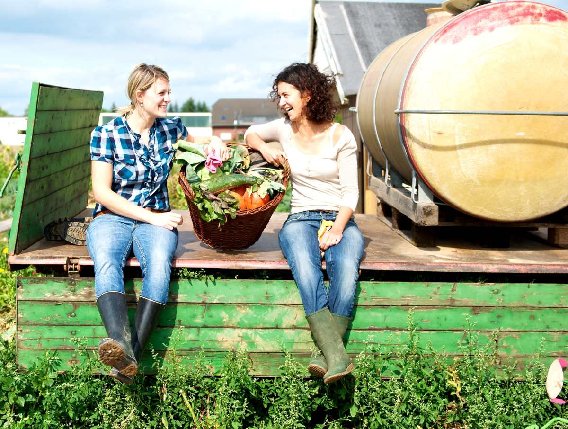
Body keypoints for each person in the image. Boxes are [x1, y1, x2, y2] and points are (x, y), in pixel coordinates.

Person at [86, 63, 228, 384]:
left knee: (160, 266)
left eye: (168, 92)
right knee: (107, 262)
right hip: (114, 217)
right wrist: (152, 217)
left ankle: (125, 358)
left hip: (156, 219)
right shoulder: (107, 134)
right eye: (161, 93)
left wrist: (215, 145)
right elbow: (102, 192)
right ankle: (123, 349)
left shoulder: (171, 127)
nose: (167, 99)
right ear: (140, 95)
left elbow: (202, 148)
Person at [245, 63, 364, 384]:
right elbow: (250, 133)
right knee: (307, 269)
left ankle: (324, 354)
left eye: (287, 95)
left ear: (308, 94)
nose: (281, 102)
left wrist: (338, 229)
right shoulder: (284, 129)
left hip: (338, 217)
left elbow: (351, 192)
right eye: (279, 95)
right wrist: (264, 146)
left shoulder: (341, 135)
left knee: (346, 269)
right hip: (300, 218)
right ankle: (337, 354)